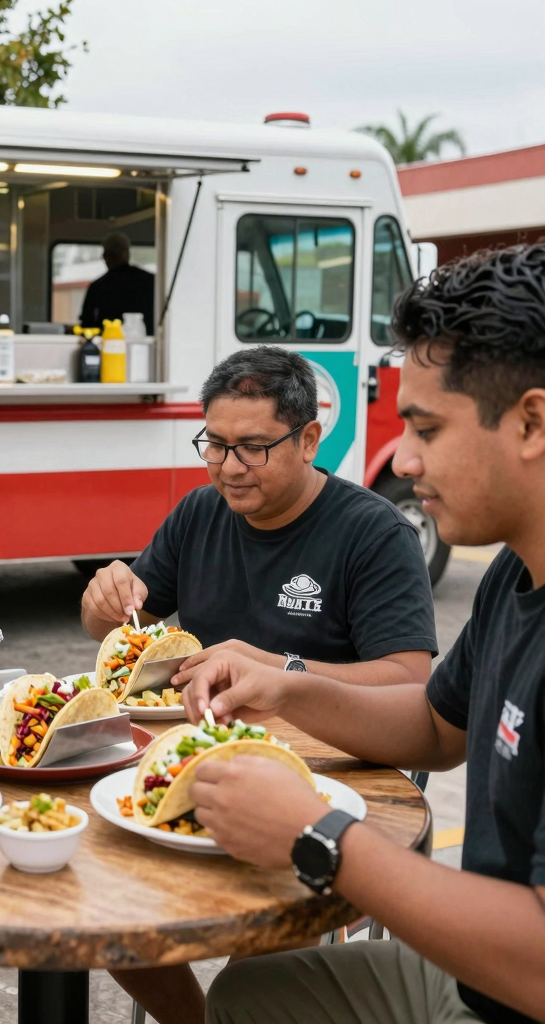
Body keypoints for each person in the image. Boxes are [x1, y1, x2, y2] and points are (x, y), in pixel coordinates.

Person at [183, 244, 545, 1024]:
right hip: (473, 978)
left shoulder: (376, 532)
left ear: (532, 421)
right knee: (249, 997)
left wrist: (320, 836)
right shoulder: (514, 580)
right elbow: (435, 727)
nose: (404, 459)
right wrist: (285, 686)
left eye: (425, 428)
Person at [81, 346, 439, 1024]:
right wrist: (103, 601)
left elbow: (409, 681)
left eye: (251, 448)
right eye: (213, 445)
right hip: (202, 759)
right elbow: (123, 627)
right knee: (101, 902)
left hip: (336, 777)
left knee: (268, 949)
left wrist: (280, 671)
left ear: (308, 440)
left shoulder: (371, 531)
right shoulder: (199, 512)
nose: (227, 467)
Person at [79, 231, 155, 334]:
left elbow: (87, 324)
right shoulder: (151, 281)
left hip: (107, 344)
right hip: (146, 343)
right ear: (127, 254)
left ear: (106, 257)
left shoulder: (97, 287)